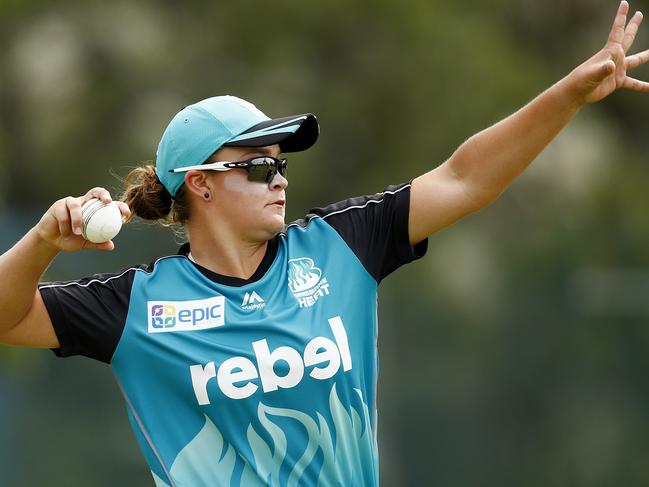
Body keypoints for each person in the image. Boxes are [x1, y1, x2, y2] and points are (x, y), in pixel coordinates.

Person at [1, 2, 649, 485]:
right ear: (198, 182)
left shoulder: (339, 246)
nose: (278, 177)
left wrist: (567, 97)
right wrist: (41, 241)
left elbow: (465, 176)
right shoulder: (139, 305)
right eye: (257, 165)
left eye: (281, 163)